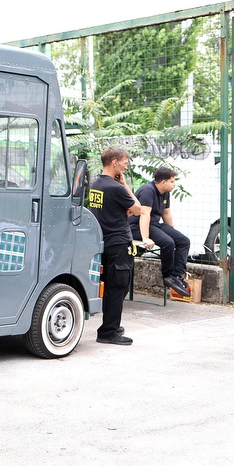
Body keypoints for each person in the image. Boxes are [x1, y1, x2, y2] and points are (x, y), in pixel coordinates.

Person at [88, 147, 142, 346]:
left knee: (114, 285)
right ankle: (108, 331)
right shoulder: (116, 188)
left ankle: (111, 325)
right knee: (118, 286)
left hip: (104, 241)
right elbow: (138, 209)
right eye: (124, 162)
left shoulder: (96, 185)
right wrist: (126, 185)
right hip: (118, 243)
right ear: (114, 163)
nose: (126, 166)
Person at [129, 167, 191, 297]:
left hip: (154, 224)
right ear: (163, 182)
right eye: (172, 181)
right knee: (168, 243)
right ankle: (168, 276)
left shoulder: (165, 192)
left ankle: (176, 276)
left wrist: (171, 231)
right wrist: (145, 237)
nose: (174, 185)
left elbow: (166, 212)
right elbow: (144, 215)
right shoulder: (148, 191)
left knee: (183, 241)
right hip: (136, 226)